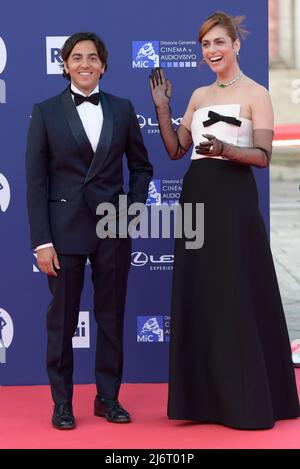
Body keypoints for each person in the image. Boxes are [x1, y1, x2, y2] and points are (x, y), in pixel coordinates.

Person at [150, 11, 300, 429]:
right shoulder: (197, 95)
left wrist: (227, 151)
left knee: (235, 292)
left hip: (234, 202)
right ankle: (202, 401)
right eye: (205, 45)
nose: (212, 50)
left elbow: (264, 157)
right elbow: (178, 150)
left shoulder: (257, 93)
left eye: (219, 42)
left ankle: (246, 398)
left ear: (236, 45)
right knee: (202, 293)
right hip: (197, 198)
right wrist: (163, 109)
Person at [26, 32, 153, 430]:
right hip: (63, 234)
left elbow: (142, 166)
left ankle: (107, 398)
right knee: (62, 322)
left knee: (112, 318)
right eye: (77, 57)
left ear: (104, 65)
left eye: (93, 57)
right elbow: (36, 182)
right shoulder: (45, 111)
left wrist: (131, 208)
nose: (85, 63)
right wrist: (42, 242)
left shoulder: (123, 108)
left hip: (112, 231)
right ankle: (62, 402)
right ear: (65, 65)